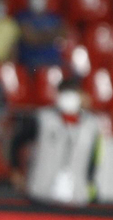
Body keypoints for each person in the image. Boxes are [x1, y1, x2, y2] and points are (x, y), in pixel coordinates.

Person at [11, 78, 105, 207]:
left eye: (73, 92)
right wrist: (16, 170)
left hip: (77, 196)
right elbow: (16, 142)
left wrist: (89, 183)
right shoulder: (43, 119)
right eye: (66, 92)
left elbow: (93, 159)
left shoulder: (91, 125)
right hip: (41, 192)